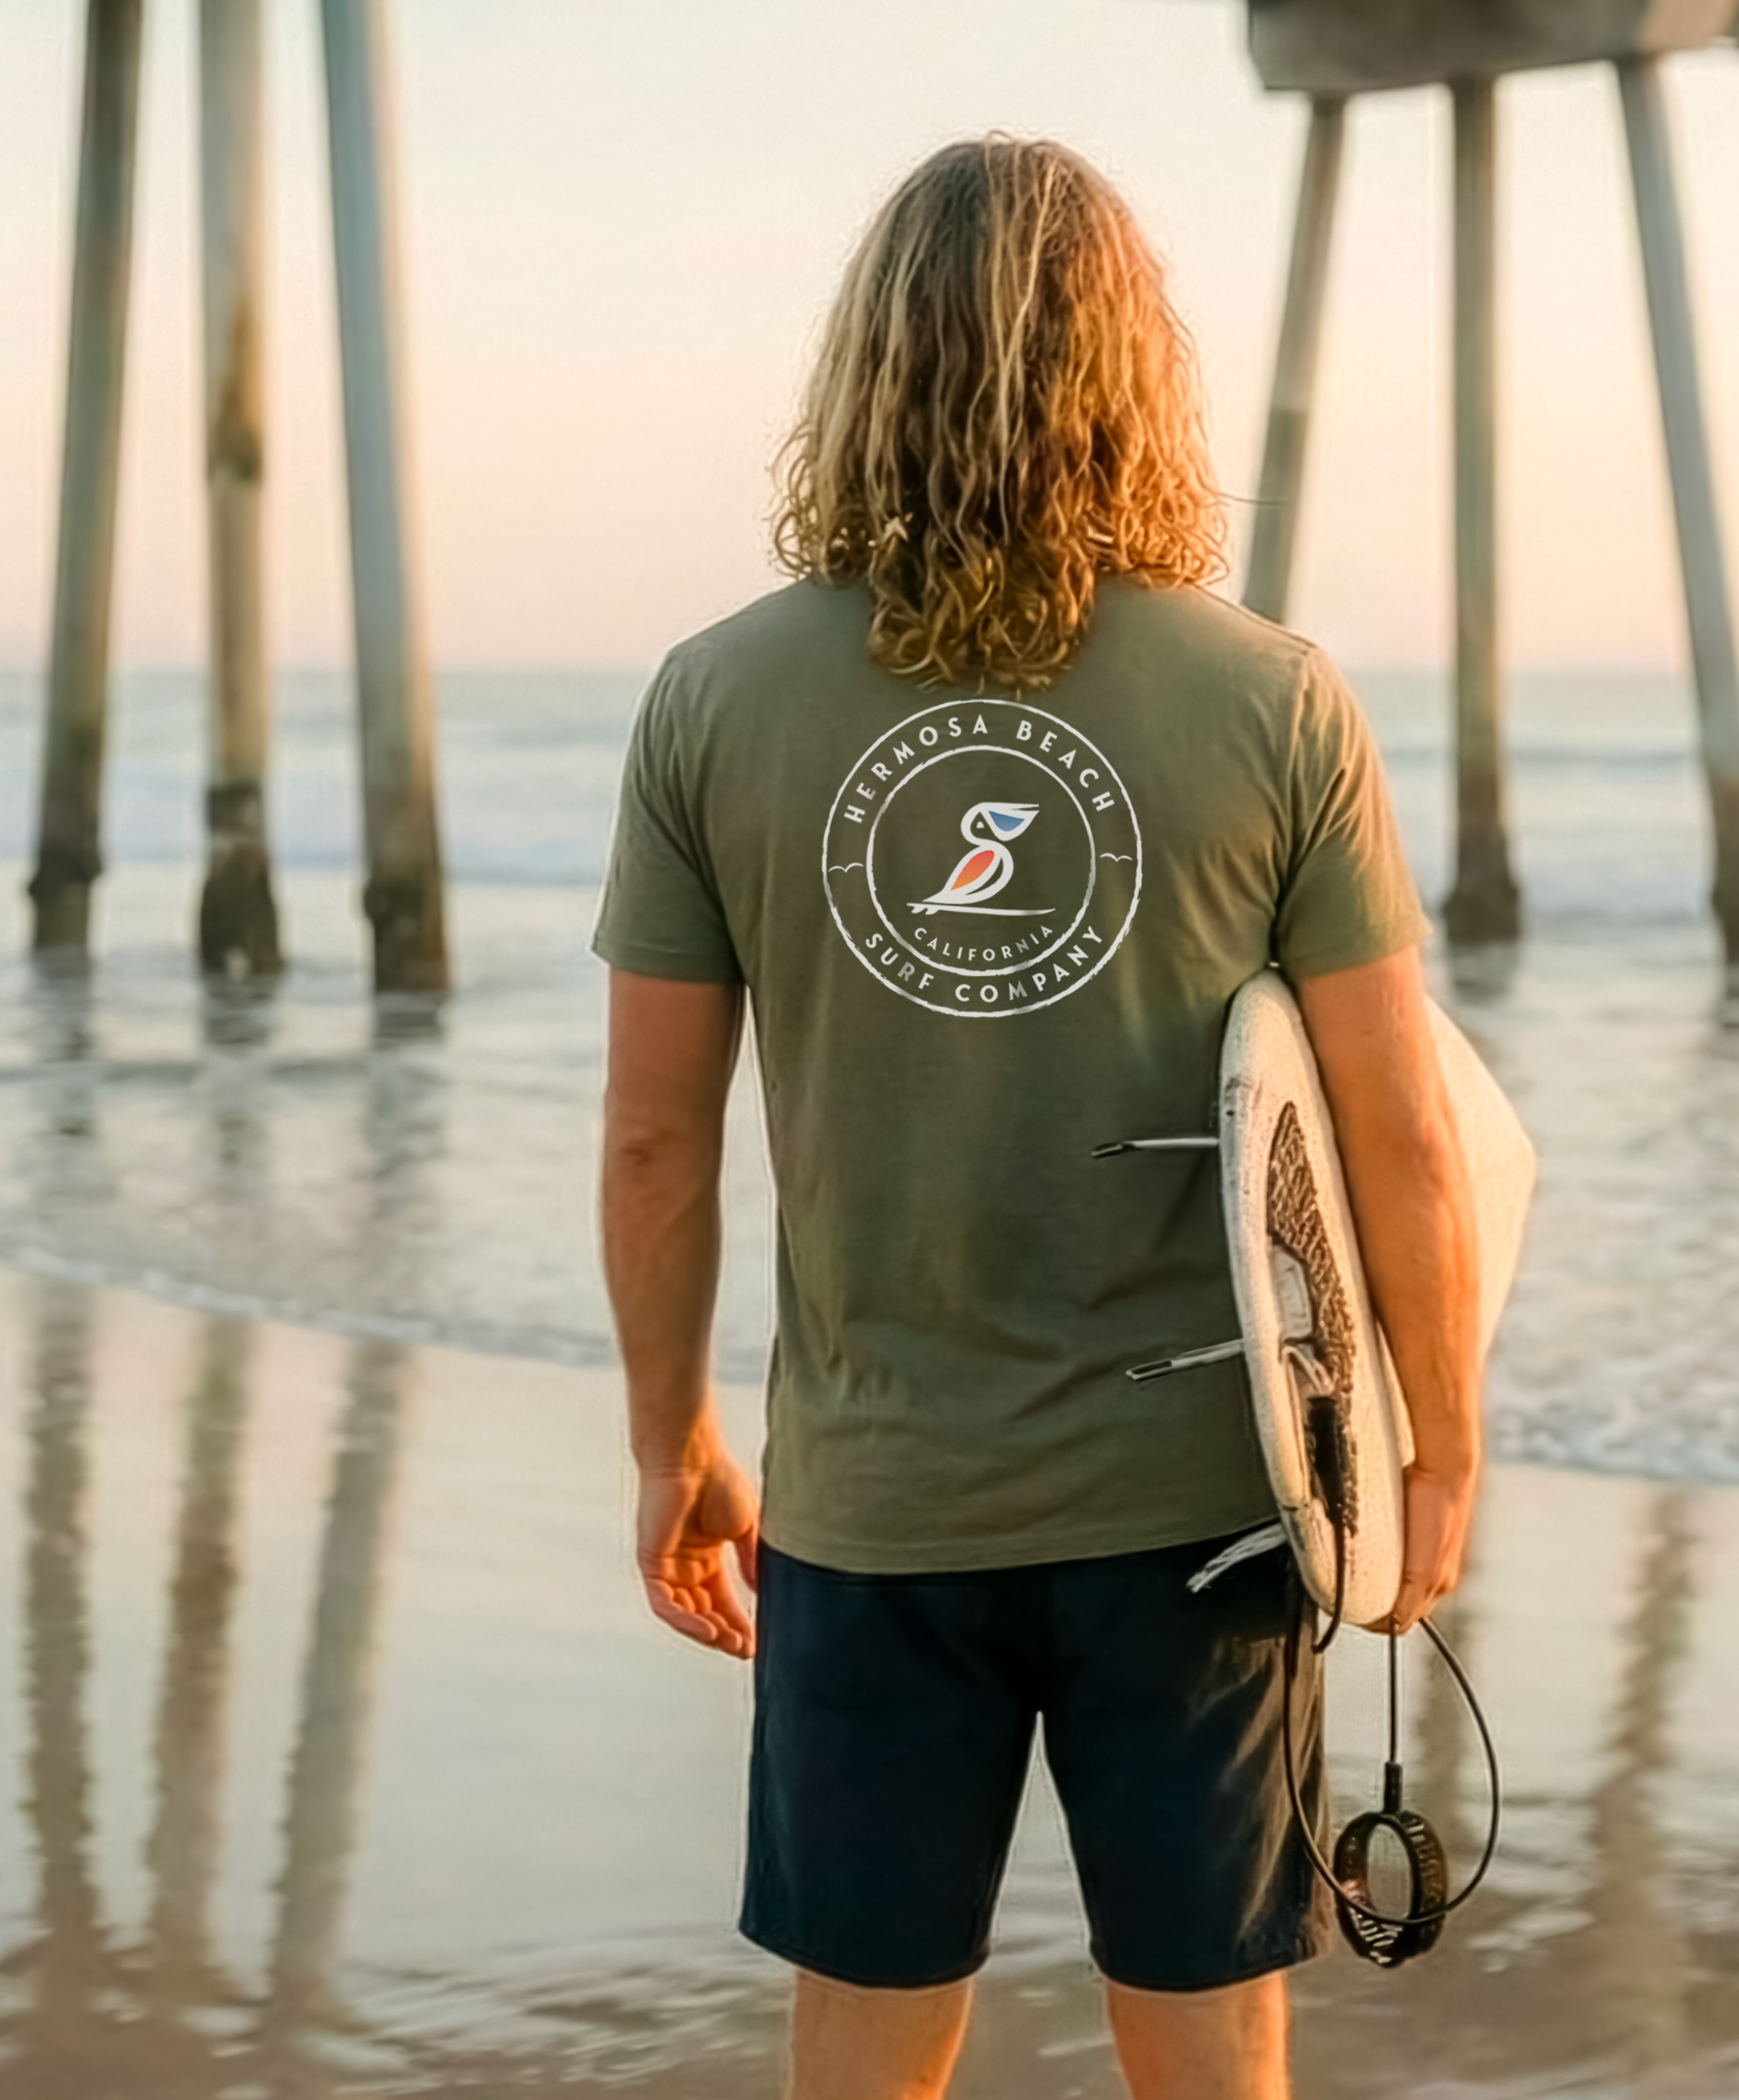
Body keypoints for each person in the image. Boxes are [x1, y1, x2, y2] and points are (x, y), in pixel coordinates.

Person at [595, 137, 1482, 2100]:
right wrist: (1437, 1448)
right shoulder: (1274, 701)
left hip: (873, 1510)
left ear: (862, 371)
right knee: (1210, 2053)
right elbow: (1398, 1132)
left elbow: (659, 1139)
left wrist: (673, 1442)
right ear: (1139, 374)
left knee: (864, 2052)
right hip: (1200, 1522)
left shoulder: (712, 703)